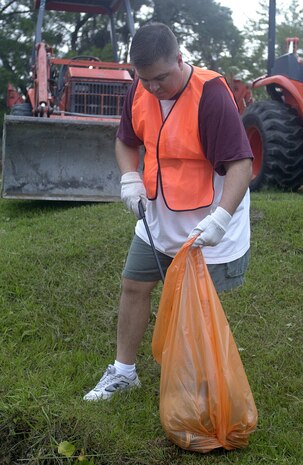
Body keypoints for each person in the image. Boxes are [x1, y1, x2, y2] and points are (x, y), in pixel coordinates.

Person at [83, 22, 253, 401]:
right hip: (159, 216)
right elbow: (126, 141)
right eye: (145, 80)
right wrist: (129, 179)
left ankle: (198, 380)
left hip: (209, 220)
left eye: (161, 78)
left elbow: (242, 166)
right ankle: (124, 372)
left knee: (196, 307)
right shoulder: (139, 90)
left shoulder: (210, 94)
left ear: (180, 59)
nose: (154, 88)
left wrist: (221, 219)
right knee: (134, 285)